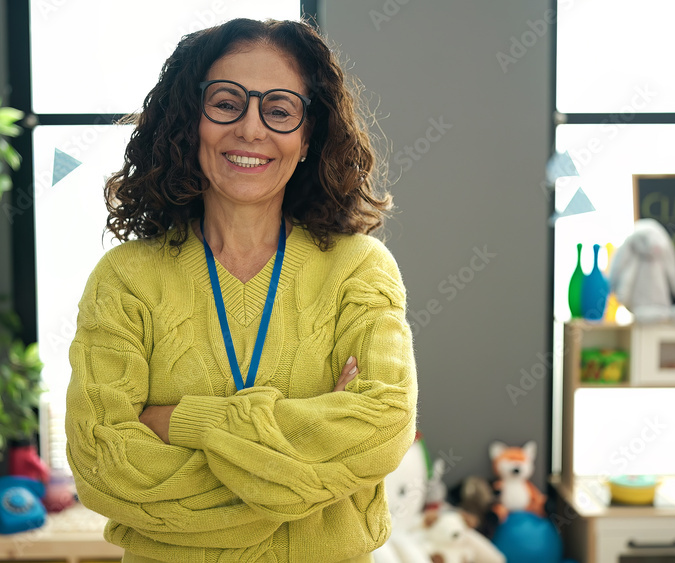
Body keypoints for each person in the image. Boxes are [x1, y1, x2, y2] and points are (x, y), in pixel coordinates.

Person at [66, 17, 418, 563]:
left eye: (278, 110)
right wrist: (308, 463)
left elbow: (385, 426)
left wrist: (181, 421)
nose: (250, 130)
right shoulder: (125, 280)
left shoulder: (359, 269)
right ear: (191, 122)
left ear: (307, 138)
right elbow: (102, 464)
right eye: (227, 103)